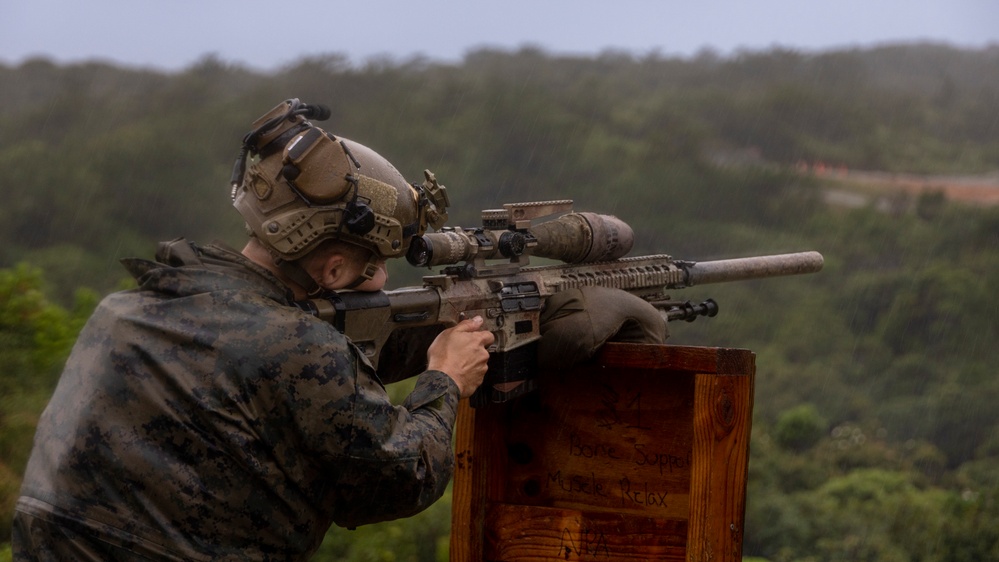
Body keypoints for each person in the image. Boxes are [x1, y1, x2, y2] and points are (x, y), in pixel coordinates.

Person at [12, 99, 495, 560]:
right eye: (377, 264)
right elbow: (401, 478)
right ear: (332, 271)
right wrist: (445, 378)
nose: (384, 280)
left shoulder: (123, 312)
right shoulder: (302, 348)